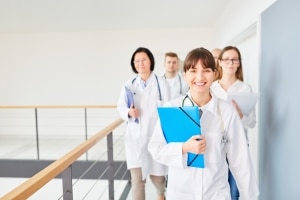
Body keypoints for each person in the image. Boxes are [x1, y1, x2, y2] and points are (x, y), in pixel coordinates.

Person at [148, 47, 259, 200]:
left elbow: (240, 160)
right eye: (193, 71)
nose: (199, 77)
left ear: (214, 74)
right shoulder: (171, 109)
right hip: (181, 194)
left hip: (216, 194)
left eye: (206, 70)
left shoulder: (226, 111)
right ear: (185, 74)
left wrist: (250, 196)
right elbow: (155, 149)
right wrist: (184, 148)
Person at [117, 47, 170, 200]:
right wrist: (128, 112)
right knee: (137, 180)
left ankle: (161, 194)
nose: (140, 63)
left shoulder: (161, 83)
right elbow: (121, 107)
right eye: (137, 61)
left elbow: (167, 108)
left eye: (143, 60)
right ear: (134, 64)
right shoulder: (128, 85)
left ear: (150, 61)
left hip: (156, 136)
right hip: (135, 139)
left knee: (158, 178)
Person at [211, 46, 257, 200]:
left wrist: (240, 115)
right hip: (214, 145)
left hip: (238, 144)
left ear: (238, 63)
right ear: (220, 63)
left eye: (234, 59)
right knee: (216, 189)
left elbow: (252, 123)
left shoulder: (245, 88)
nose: (230, 63)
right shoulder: (212, 88)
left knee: (235, 191)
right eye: (227, 59)